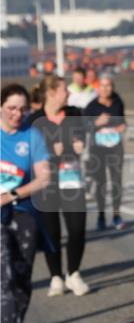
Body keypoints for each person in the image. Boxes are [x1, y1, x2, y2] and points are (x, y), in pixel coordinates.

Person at [1, 84, 51, 323]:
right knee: (4, 278)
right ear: (0, 107)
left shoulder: (32, 136)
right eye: (11, 108)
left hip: (24, 210)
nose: (17, 114)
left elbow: (44, 178)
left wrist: (13, 194)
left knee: (23, 278)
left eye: (22, 109)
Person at [28, 75, 90, 297]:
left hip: (72, 180)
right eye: (65, 89)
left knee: (77, 229)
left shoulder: (74, 114)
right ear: (52, 93)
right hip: (46, 185)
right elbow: (33, 153)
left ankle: (73, 273)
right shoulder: (34, 120)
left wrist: (78, 145)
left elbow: (80, 141)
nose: (69, 93)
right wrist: (53, 151)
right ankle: (56, 276)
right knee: (51, 232)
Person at [83, 74, 126, 231]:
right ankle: (101, 216)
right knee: (101, 182)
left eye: (108, 85)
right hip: (98, 149)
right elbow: (83, 126)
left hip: (115, 147)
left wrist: (122, 126)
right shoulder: (91, 106)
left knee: (116, 182)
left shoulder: (118, 102)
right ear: (97, 88)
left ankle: (116, 215)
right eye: (102, 86)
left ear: (112, 87)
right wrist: (96, 123)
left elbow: (122, 120)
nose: (106, 89)